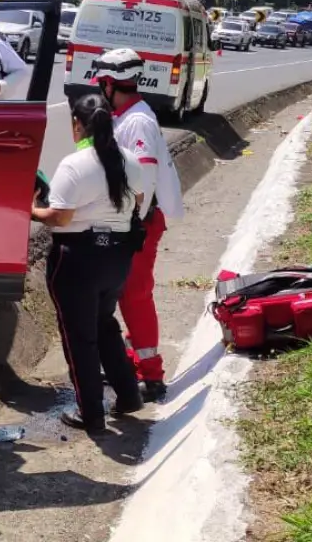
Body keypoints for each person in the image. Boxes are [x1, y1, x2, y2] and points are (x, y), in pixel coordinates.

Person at [32, 94, 146, 434]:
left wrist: (32, 209)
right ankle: (128, 395)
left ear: (77, 125)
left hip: (78, 260)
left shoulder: (74, 164)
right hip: (116, 258)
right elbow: (138, 202)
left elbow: (60, 217)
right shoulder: (129, 160)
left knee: (79, 338)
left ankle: (91, 414)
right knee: (104, 325)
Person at [90, 48, 184, 403]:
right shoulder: (125, 116)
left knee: (134, 296)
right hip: (130, 222)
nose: (100, 89)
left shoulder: (137, 121)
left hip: (138, 223)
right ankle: (132, 362)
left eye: (102, 83)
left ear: (111, 83)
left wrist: (129, 222)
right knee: (126, 295)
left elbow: (143, 177)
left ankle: (152, 375)